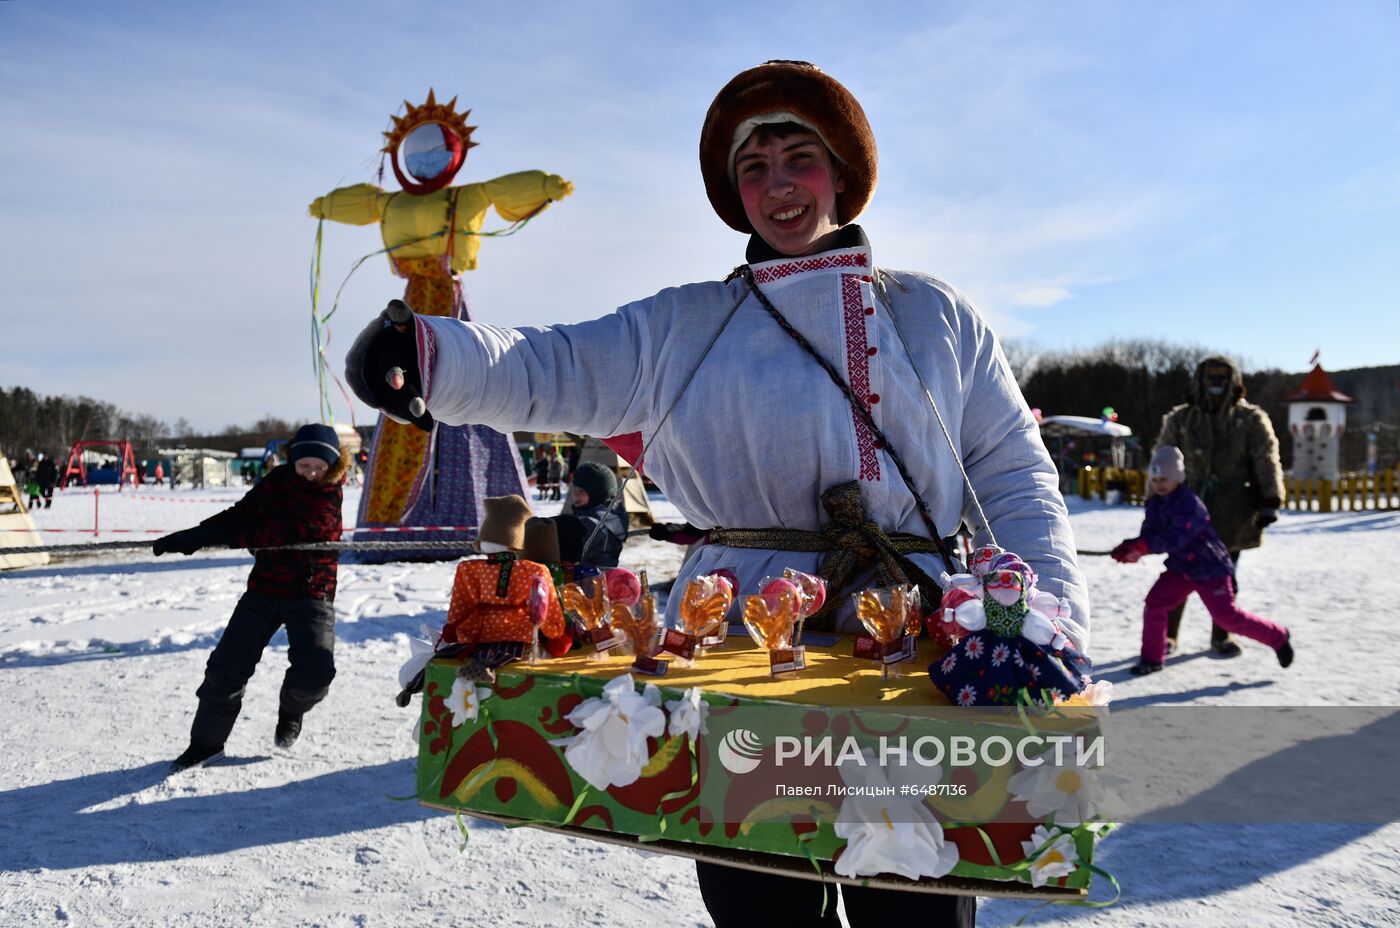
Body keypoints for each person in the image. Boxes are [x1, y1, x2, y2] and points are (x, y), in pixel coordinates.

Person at [346, 60, 1089, 928]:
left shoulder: (935, 314)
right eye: (754, 166)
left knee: (918, 896)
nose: (778, 185)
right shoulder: (683, 325)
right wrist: (428, 353)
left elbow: (1013, 473)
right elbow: (549, 361)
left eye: (798, 157)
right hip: (732, 648)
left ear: (842, 173)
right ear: (735, 193)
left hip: (912, 649)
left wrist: (1048, 624)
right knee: (760, 900)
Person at [156, 424, 349, 772]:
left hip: (311, 593)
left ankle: (291, 709)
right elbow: (243, 514)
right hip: (266, 587)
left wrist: (216, 538)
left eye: (318, 467)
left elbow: (276, 533)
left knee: (315, 673)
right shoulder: (278, 481)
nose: (310, 474)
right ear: (293, 461)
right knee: (226, 667)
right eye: (303, 466)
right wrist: (197, 533)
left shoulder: (329, 493)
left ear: (332, 465)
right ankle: (205, 744)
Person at [1113, 446, 1293, 675]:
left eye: (1164, 479)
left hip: (1210, 567)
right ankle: (1152, 658)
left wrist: (1144, 546)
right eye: (1155, 479)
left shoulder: (1189, 503)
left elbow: (1177, 536)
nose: (1159, 484)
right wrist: (1131, 547)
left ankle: (1278, 636)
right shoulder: (1156, 504)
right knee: (1155, 603)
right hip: (1182, 568)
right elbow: (1152, 534)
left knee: (1227, 618)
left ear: (1177, 478)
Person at [1156, 355, 1284, 657]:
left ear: (1234, 382)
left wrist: (1269, 500)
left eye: (1221, 379)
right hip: (1187, 506)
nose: (1215, 385)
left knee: (1225, 574)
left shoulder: (1251, 419)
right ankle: (1168, 635)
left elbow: (1265, 459)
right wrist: (1157, 502)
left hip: (1233, 508)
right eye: (1209, 378)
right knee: (1178, 572)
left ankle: (1221, 633)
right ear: (1199, 381)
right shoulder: (1181, 418)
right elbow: (1162, 458)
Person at [554, 461, 627, 568]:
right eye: (574, 490)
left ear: (597, 494)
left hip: (588, 580)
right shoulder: (612, 514)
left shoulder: (591, 524)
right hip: (600, 577)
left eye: (581, 491)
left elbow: (565, 554)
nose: (575, 496)